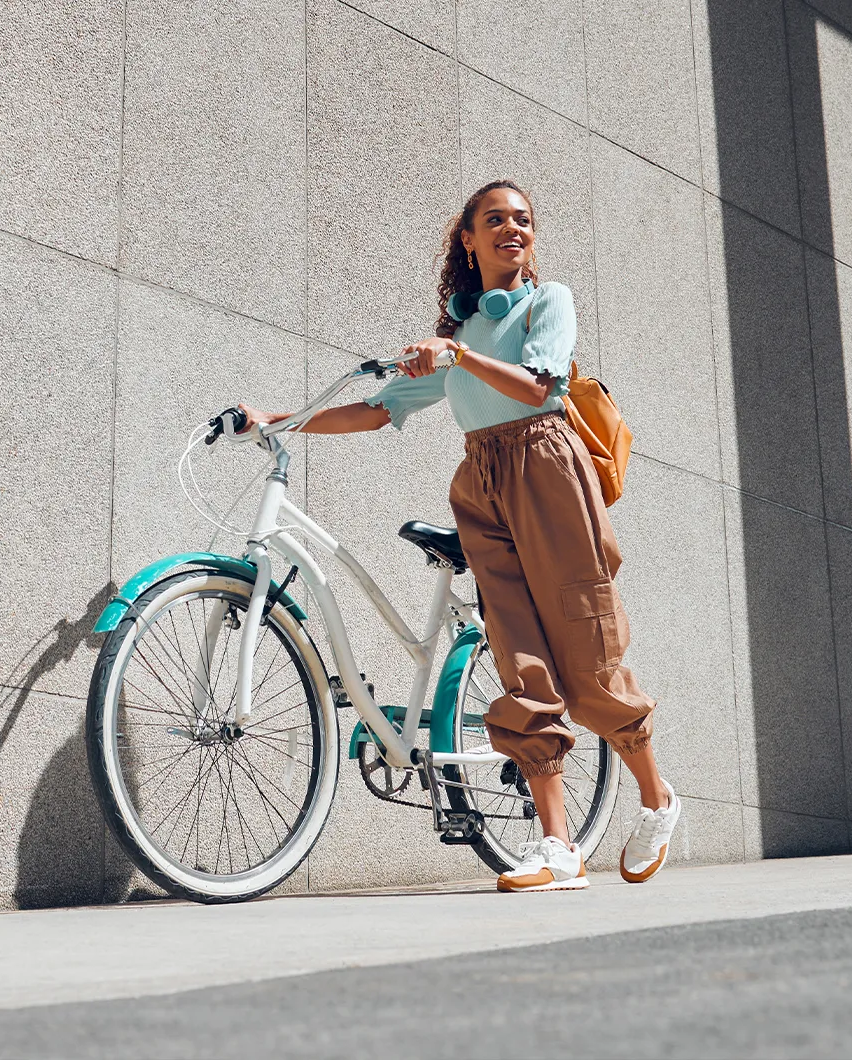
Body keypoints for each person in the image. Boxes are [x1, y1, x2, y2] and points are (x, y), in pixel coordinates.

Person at [240, 180, 680, 892]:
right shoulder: (461, 334)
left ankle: (658, 800)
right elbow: (377, 413)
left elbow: (542, 387)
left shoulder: (547, 301)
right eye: (495, 219)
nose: (514, 228)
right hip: (483, 481)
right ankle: (558, 846)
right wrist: (279, 421)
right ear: (467, 240)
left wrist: (457, 358)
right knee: (521, 660)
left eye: (524, 220)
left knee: (586, 653)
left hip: (548, 467)